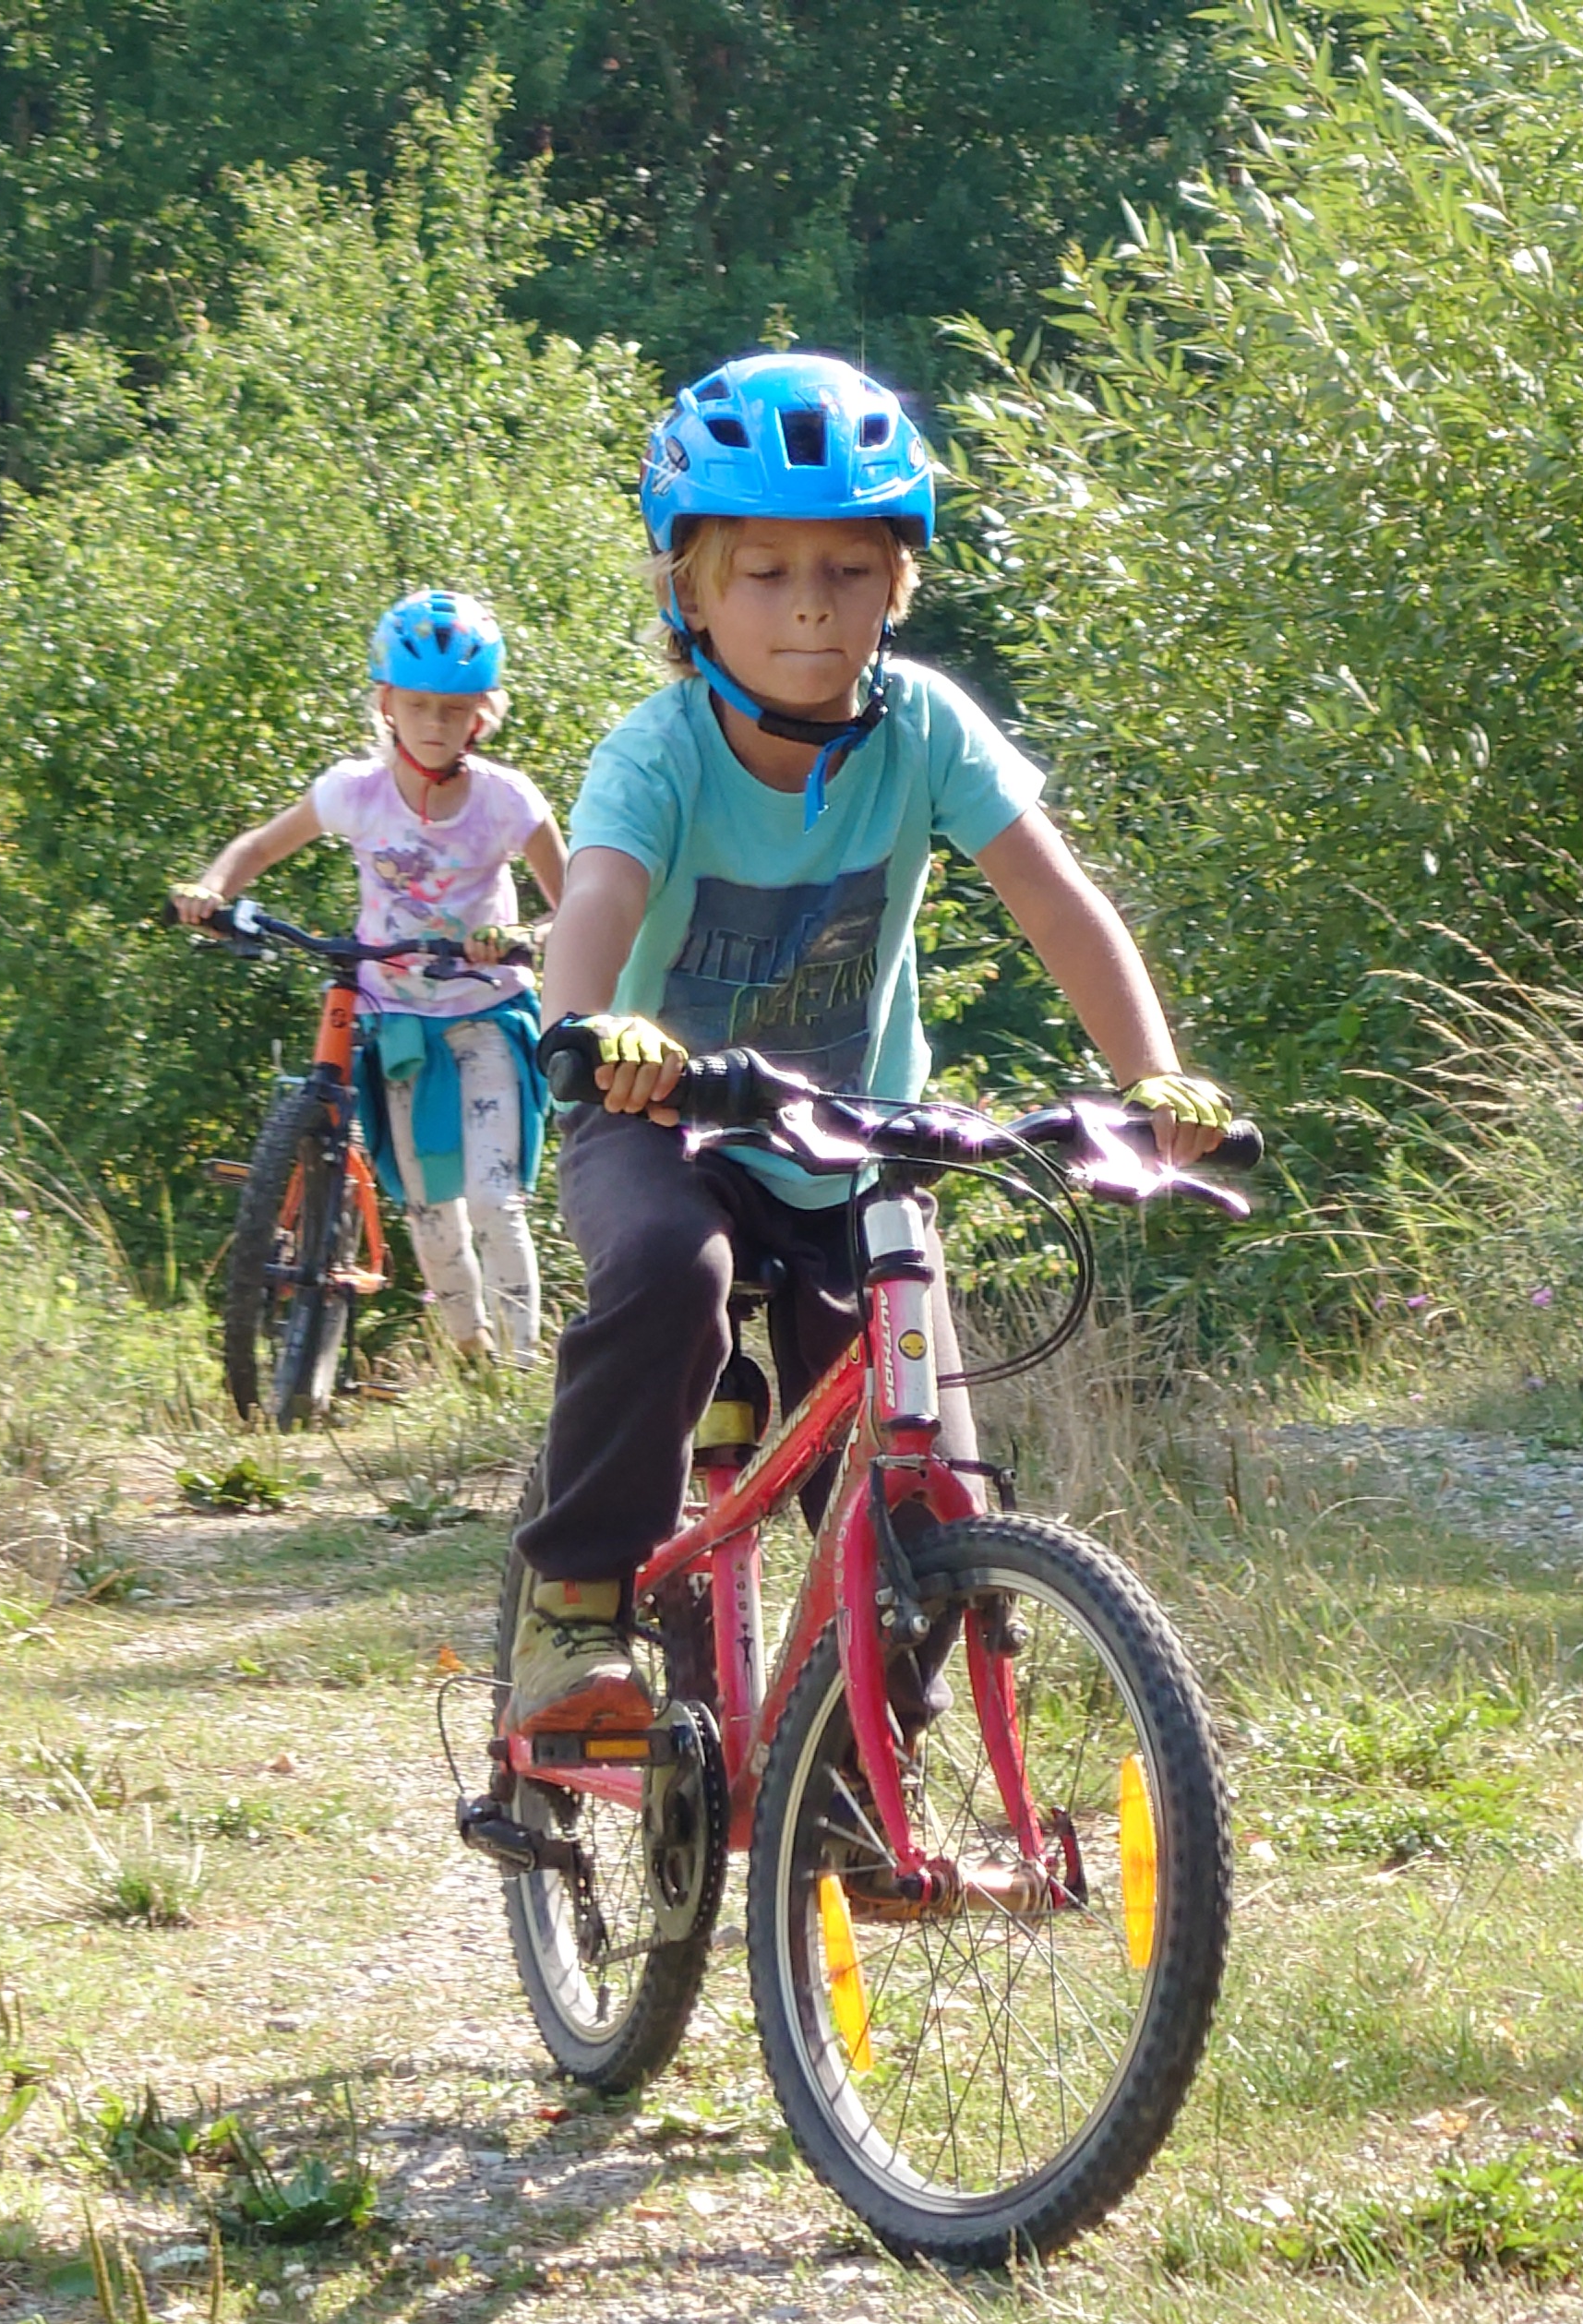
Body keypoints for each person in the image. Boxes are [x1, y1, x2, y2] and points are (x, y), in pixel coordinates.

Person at [505, 352, 1239, 1739]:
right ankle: (577, 1609)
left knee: (926, 1485)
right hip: (662, 1121)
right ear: (689, 591)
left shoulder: (925, 730)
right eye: (765, 571)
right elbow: (595, 896)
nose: (810, 604)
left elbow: (1055, 899)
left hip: (858, 1143)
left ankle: (846, 1784)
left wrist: (1149, 1073)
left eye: (848, 569)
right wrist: (591, 1026)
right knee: (669, 1270)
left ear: (896, 585)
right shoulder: (659, 754)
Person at [174, 591, 569, 1363]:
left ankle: (525, 1366)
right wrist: (212, 890)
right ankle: (473, 1356)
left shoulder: (506, 801)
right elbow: (258, 846)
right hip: (396, 1022)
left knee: (495, 1199)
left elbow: (578, 904)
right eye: (416, 705)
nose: (433, 724)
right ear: (386, 703)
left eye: (453, 710)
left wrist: (524, 937)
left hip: (486, 1013)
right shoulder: (354, 792)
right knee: (428, 1206)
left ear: (482, 715)